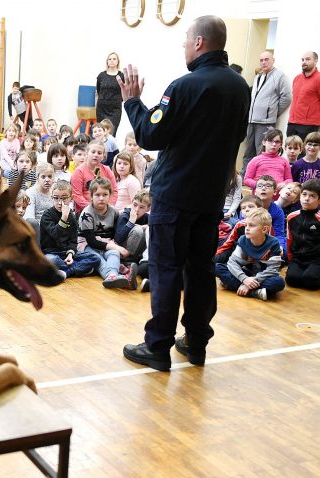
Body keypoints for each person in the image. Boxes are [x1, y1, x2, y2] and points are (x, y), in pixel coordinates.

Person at [119, 15, 250, 371]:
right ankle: (195, 342)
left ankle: (157, 346)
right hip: (210, 196)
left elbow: (149, 136)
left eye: (185, 41)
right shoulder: (241, 87)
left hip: (175, 195)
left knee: (165, 269)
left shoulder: (184, 86)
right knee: (200, 269)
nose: (183, 47)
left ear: (199, 43)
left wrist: (132, 102)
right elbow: (238, 136)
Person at [214, 208, 285, 301]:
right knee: (217, 267)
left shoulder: (273, 243)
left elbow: (273, 269)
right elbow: (232, 262)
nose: (246, 228)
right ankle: (256, 293)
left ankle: (234, 285)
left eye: (251, 225)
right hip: (246, 273)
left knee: (279, 283)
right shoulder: (243, 239)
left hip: (263, 277)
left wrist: (249, 284)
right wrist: (245, 279)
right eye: (246, 225)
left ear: (264, 229)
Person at [79, 178, 137, 289]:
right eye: (97, 195)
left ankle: (115, 276)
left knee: (114, 253)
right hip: (87, 244)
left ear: (110, 195)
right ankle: (113, 276)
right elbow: (92, 241)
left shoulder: (114, 211)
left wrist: (116, 248)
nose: (101, 198)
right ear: (91, 196)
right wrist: (115, 247)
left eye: (105, 194)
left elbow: (115, 234)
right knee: (97, 258)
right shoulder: (86, 214)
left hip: (107, 242)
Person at [241, 50, 292, 174]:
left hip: (265, 122)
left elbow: (287, 97)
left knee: (261, 151)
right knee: (248, 151)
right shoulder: (259, 76)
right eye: (261, 60)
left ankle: (258, 177)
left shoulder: (279, 76)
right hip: (251, 120)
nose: (264, 62)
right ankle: (244, 176)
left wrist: (273, 112)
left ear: (273, 60)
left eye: (266, 59)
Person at [40, 180, 100, 279]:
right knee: (50, 260)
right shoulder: (47, 215)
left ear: (71, 198)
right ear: (52, 198)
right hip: (51, 253)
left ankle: (66, 272)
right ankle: (80, 268)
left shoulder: (71, 216)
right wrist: (63, 217)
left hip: (66, 253)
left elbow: (73, 240)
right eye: (56, 198)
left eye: (64, 199)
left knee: (95, 258)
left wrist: (70, 254)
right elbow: (55, 234)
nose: (60, 203)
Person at [285, 178, 320, 290]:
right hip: (298, 258)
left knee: (310, 281)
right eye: (304, 194)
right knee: (292, 280)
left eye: (312, 196)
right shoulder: (291, 217)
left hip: (316, 259)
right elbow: (289, 239)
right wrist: (291, 258)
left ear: (319, 200)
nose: (307, 198)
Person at [287, 52, 320, 141]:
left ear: (316, 61)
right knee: (291, 152)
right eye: (303, 59)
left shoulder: (318, 78)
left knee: (304, 153)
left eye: (308, 59)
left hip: (309, 125)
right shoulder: (297, 78)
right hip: (292, 122)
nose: (304, 62)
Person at [96, 52, 125, 135]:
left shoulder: (121, 76)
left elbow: (124, 91)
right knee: (101, 132)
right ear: (107, 62)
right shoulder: (101, 75)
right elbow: (98, 90)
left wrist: (118, 100)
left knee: (112, 132)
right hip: (102, 108)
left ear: (117, 62)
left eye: (114, 59)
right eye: (110, 59)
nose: (112, 61)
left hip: (115, 109)